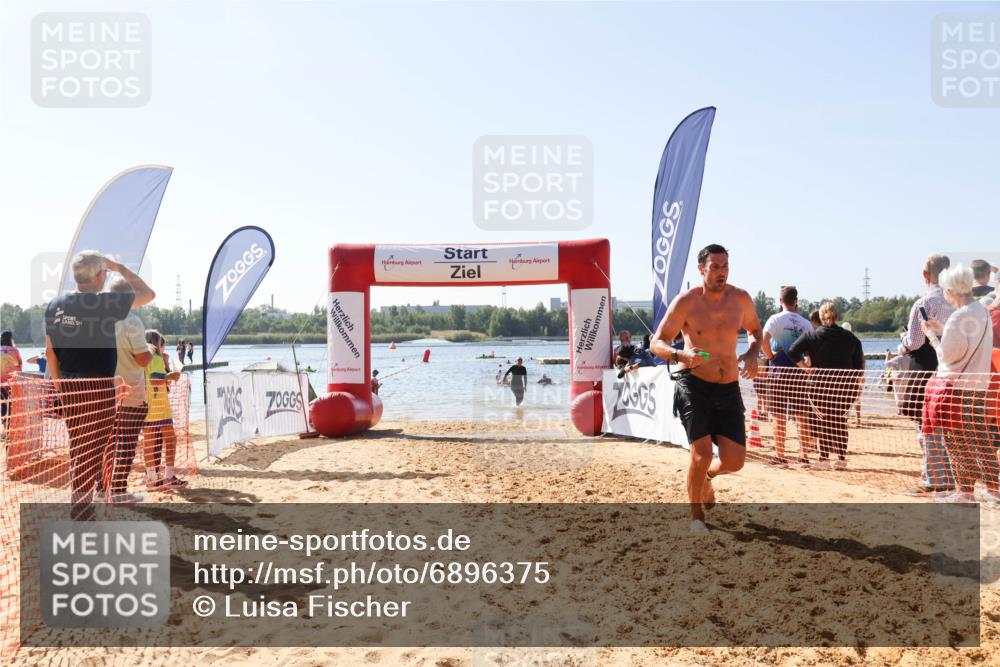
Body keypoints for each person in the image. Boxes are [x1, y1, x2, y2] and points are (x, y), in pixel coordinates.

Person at [650, 244, 762, 534]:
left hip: (728, 387)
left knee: (735, 461)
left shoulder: (740, 299)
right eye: (715, 267)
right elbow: (656, 341)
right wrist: (680, 356)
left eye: (725, 266)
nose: (721, 272)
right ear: (701, 269)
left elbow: (755, 331)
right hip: (694, 385)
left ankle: (708, 479)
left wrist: (752, 354)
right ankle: (696, 516)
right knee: (700, 454)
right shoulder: (686, 302)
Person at [44, 251, 155, 520]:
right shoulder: (104, 303)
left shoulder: (54, 305)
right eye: (105, 272)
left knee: (80, 448)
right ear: (99, 276)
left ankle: (82, 508)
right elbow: (148, 293)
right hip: (98, 387)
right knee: (94, 450)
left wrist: (60, 387)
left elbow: (50, 353)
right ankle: (83, 512)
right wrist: (121, 267)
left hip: (69, 384)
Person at [921, 265, 996, 504]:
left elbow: (948, 356)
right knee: (980, 436)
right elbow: (969, 340)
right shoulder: (981, 310)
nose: (944, 294)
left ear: (952, 290)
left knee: (956, 440)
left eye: (945, 290)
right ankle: (995, 488)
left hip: (956, 387)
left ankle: (965, 492)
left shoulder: (958, 316)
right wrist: (943, 329)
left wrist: (933, 337)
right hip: (978, 385)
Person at [887, 254, 956, 496]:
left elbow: (915, 341)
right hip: (953, 370)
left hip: (925, 369)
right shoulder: (957, 302)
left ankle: (932, 477)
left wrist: (902, 343)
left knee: (925, 426)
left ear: (925, 275)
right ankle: (951, 477)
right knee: (949, 427)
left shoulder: (923, 303)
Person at [787, 302, 864, 469]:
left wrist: (806, 369)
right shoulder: (851, 338)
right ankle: (842, 459)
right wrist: (856, 384)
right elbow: (859, 365)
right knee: (839, 420)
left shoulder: (812, 336)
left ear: (820, 317)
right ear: (836, 316)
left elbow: (792, 351)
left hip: (820, 385)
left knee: (823, 420)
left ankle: (824, 459)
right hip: (845, 387)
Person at [104, 279, 153, 503]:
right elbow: (142, 360)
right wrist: (151, 350)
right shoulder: (131, 322)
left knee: (105, 444)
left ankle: (100, 488)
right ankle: (118, 490)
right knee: (127, 443)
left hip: (104, 393)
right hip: (130, 393)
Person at [761, 286, 815, 466]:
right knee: (802, 415)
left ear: (780, 301)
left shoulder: (775, 319)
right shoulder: (806, 323)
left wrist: (769, 356)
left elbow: (763, 340)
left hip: (778, 372)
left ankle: (780, 456)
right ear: (796, 301)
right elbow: (812, 351)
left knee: (778, 416)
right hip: (799, 373)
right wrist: (808, 366)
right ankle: (804, 455)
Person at [142, 330, 186, 490]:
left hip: (151, 404)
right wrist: (171, 376)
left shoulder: (145, 359)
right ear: (156, 344)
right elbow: (155, 380)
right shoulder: (155, 358)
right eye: (162, 344)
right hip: (157, 406)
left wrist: (167, 377)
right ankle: (165, 476)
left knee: (151, 442)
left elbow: (155, 380)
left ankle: (154, 477)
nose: (164, 348)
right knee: (168, 440)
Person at [0, 331, 23, 435]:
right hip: (11, 382)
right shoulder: (15, 351)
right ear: (11, 339)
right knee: (11, 404)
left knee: (3, 404)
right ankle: (9, 428)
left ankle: (4, 427)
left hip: (0, 382)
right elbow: (19, 366)